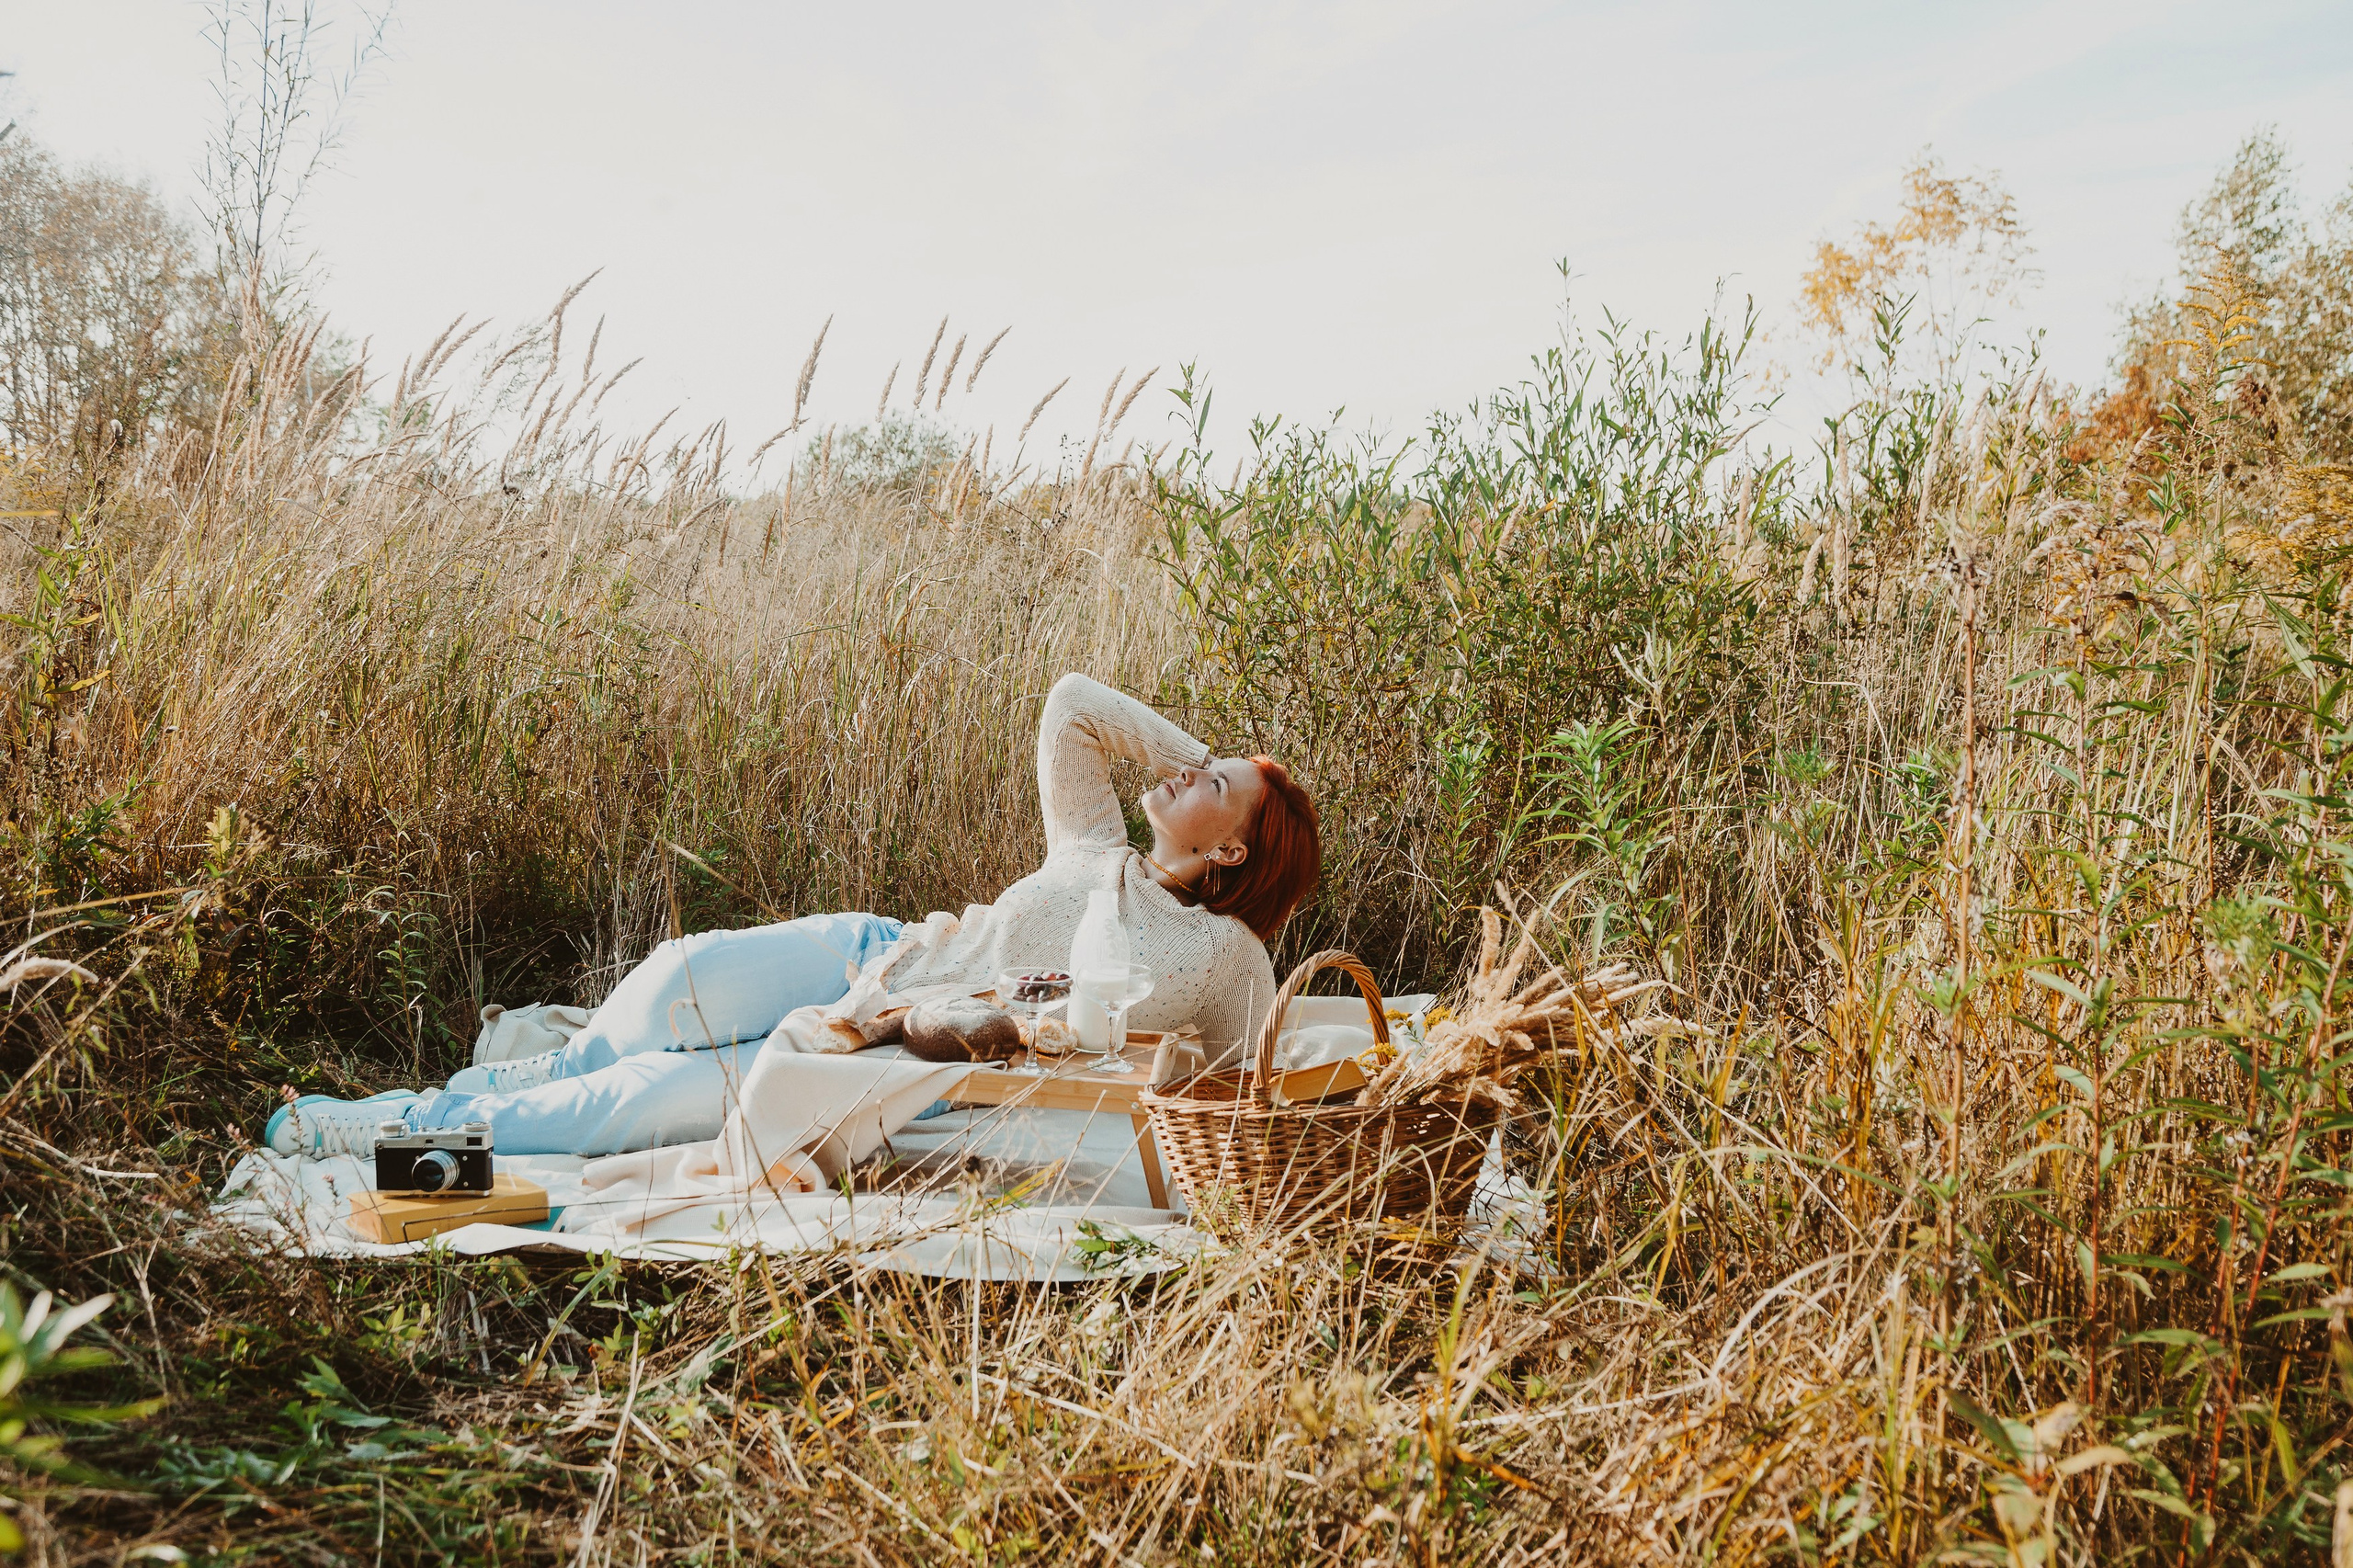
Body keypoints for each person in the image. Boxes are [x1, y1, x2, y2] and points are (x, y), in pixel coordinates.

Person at [267, 673, 1320, 1159]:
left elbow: (1257, 1079)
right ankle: (550, 1060)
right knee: (678, 978)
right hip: (876, 954)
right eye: (1196, 757)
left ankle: (385, 1123)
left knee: (641, 1099)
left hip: (897, 1053)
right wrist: (1191, 758)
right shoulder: (1095, 846)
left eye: (1213, 776)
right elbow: (1072, 703)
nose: (1188, 768)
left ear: (1232, 849)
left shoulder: (1222, 953)